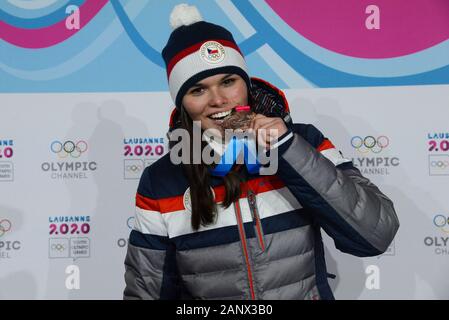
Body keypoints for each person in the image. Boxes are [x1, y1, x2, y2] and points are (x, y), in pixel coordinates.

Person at [123, 4, 399, 300]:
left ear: (247, 84)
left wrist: (287, 148)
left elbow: (376, 235)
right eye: (198, 90)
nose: (218, 100)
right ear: (182, 103)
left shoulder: (304, 141)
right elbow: (146, 293)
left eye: (228, 82)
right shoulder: (162, 180)